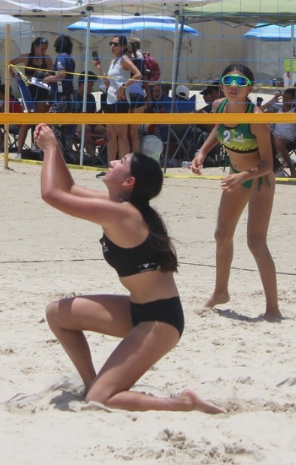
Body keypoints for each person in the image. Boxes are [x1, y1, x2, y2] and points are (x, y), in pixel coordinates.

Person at [35, 123, 223, 413]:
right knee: (57, 314)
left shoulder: (121, 212)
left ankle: (182, 403)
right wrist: (56, 148)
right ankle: (91, 382)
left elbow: (50, 195)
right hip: (138, 311)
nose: (112, 161)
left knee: (101, 400)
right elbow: (68, 187)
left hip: (160, 322)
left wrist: (48, 149)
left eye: (121, 162)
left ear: (129, 182)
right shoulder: (119, 204)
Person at [190, 63, 281, 320]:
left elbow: (268, 164)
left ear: (249, 88)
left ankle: (273, 308)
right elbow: (220, 129)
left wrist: (243, 176)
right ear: (222, 84)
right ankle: (221, 292)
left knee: (255, 241)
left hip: (258, 179)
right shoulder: (219, 105)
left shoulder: (256, 117)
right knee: (222, 234)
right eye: (229, 81)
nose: (233, 86)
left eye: (240, 83)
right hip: (236, 176)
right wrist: (202, 152)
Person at [90, 35, 144, 163]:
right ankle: (111, 167)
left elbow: (138, 74)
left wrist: (124, 86)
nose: (112, 46)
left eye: (115, 44)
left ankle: (123, 166)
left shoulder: (124, 59)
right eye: (111, 44)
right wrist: (100, 69)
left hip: (121, 101)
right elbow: (109, 84)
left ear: (123, 47)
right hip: (110, 100)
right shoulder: (113, 61)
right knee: (111, 136)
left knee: (122, 136)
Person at [11, 37, 54, 114]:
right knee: (29, 119)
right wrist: (14, 75)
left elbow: (50, 76)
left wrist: (43, 77)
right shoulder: (26, 57)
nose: (44, 51)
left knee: (40, 118)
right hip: (28, 91)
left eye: (45, 49)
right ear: (35, 47)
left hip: (42, 92)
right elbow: (9, 64)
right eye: (42, 49)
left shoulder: (47, 59)